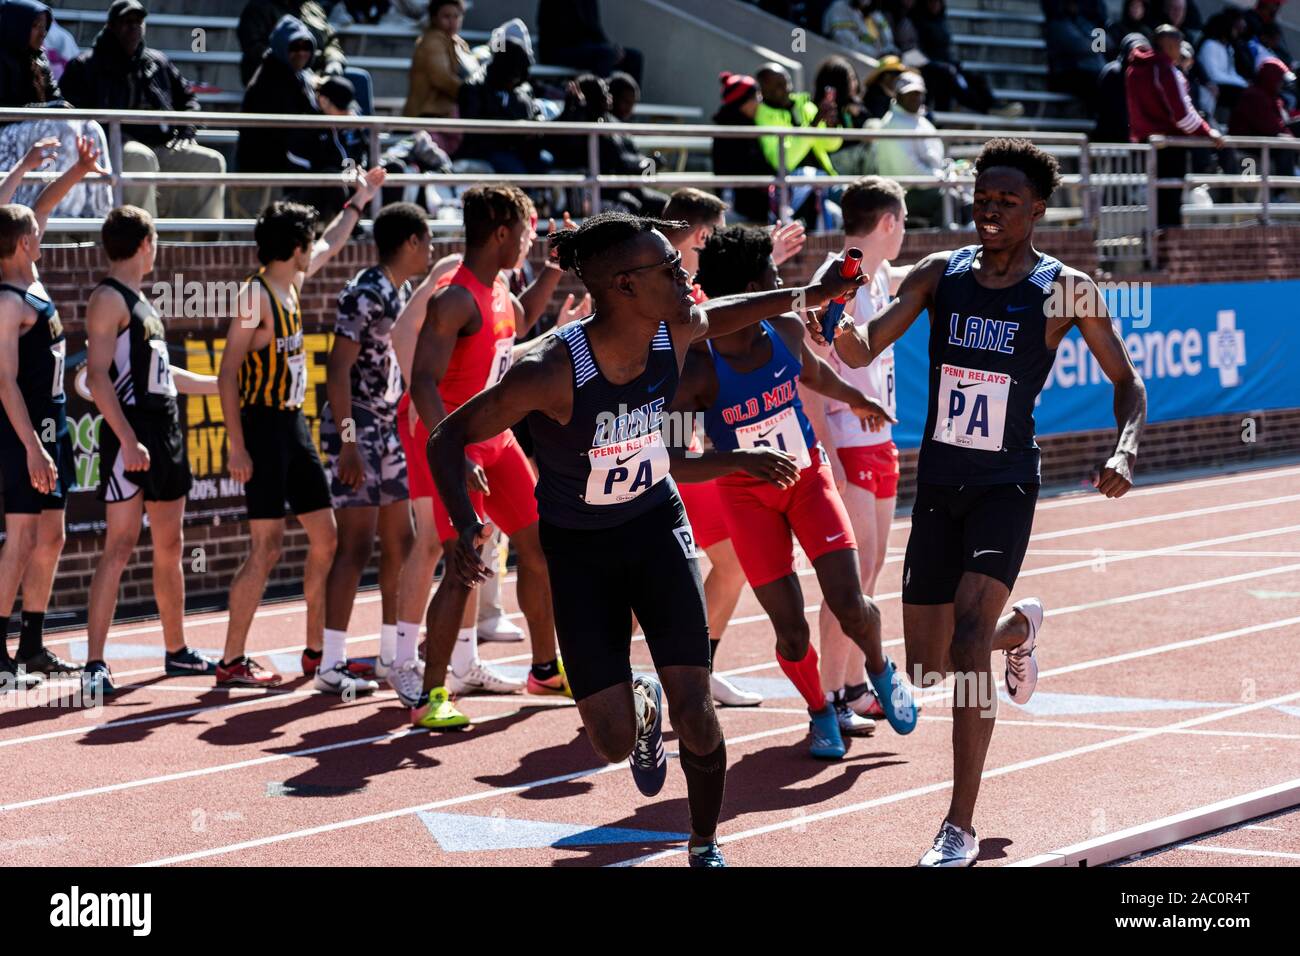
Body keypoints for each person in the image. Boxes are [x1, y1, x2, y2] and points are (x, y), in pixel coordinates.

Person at [426, 210, 864, 866]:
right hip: (580, 552)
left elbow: (736, 308)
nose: (684, 275)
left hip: (656, 529)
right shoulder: (546, 369)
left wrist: (809, 295)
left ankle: (704, 842)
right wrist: (466, 524)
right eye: (668, 268)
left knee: (694, 703)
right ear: (624, 286)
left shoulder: (677, 330)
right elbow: (446, 435)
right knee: (608, 740)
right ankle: (635, 698)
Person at [815, 137, 1147, 866]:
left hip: (1005, 485)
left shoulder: (1066, 289)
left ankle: (958, 825)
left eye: (1006, 201)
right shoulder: (941, 273)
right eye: (982, 197)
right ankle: (1017, 634)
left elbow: (1127, 381)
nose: (989, 210)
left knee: (965, 642)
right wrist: (835, 327)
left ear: (1038, 209)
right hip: (938, 486)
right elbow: (865, 347)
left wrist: (1123, 446)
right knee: (934, 669)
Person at [670, 223, 915, 759]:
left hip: (808, 480)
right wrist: (742, 460)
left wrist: (858, 399)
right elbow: (670, 459)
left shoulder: (782, 326)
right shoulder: (695, 368)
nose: (783, 284)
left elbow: (815, 375)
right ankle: (819, 712)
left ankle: (879, 668)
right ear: (751, 288)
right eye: (773, 276)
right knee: (790, 630)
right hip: (747, 496)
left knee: (850, 602)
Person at [214, 165, 387, 692]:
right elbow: (226, 375)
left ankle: (316, 653)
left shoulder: (291, 282)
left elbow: (333, 240)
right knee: (266, 547)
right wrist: (237, 446)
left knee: (325, 538)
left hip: (295, 427)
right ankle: (232, 659)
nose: (315, 248)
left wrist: (360, 199)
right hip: (263, 428)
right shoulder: (255, 297)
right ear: (294, 247)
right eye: (307, 243)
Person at [405, 184, 570, 724]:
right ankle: (433, 695)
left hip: (498, 444)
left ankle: (544, 668)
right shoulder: (453, 296)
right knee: (465, 564)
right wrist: (452, 448)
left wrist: (551, 268)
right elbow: (423, 382)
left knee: (539, 547)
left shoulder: (496, 286)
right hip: (460, 445)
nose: (527, 241)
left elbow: (519, 323)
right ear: (501, 233)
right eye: (525, 232)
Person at [81, 205, 220, 696]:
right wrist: (126, 439)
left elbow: (165, 378)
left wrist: (219, 385)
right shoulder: (108, 298)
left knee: (171, 546)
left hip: (164, 433)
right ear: (145, 244)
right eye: (155, 240)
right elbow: (97, 377)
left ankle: (177, 650)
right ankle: (95, 661)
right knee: (118, 548)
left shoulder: (143, 302)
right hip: (131, 435)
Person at [0, 136, 107, 687]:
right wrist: (33, 446)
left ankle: (33, 645)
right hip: (24, 428)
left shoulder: (30, 274)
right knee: (19, 536)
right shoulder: (7, 299)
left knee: (53, 536)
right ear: (21, 242)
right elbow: (3, 383)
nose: (44, 230)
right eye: (34, 231)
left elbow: (34, 210)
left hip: (53, 418)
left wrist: (78, 170)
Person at [804, 177, 909, 729]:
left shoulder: (884, 274)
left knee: (871, 572)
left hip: (880, 440)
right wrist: (830, 456)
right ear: (887, 222)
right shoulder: (833, 282)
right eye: (905, 220)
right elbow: (809, 376)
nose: (906, 231)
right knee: (850, 577)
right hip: (847, 442)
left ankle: (850, 682)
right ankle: (828, 697)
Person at [318, 202, 430, 705]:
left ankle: (389, 654)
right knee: (355, 545)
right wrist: (345, 440)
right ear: (409, 243)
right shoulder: (364, 294)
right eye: (426, 242)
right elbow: (336, 369)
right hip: (357, 425)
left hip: (387, 426)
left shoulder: (401, 292)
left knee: (400, 542)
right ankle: (330, 663)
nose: (430, 252)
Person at [658, 187, 759, 708]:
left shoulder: (689, 286)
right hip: (659, 445)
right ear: (701, 234)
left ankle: (700, 669)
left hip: (686, 443)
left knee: (729, 561)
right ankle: (611, 670)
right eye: (716, 234)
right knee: (661, 573)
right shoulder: (663, 285)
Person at [60, 1, 226, 225]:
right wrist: (110, 135)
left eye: (138, 22)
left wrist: (187, 128)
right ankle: (147, 239)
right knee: (141, 158)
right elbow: (72, 117)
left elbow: (188, 98)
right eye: (126, 22)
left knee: (211, 162)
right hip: (114, 146)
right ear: (111, 26)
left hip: (162, 144)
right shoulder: (85, 66)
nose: (134, 28)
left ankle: (202, 245)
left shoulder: (158, 62)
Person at [236, 17, 350, 219]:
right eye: (294, 47)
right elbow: (291, 130)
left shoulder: (300, 75)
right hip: (269, 172)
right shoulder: (269, 80)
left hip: (293, 165)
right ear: (281, 47)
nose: (302, 53)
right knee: (331, 177)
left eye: (306, 46)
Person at [1127, 24, 1223, 227]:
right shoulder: (1163, 69)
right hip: (1170, 146)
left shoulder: (1135, 69)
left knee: (1157, 200)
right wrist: (1209, 132)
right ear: (1169, 45)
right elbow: (1182, 115)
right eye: (1178, 45)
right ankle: (1167, 248)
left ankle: (1155, 245)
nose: (1180, 50)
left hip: (1147, 143)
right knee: (1170, 204)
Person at [755, 63, 842, 227]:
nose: (786, 89)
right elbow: (784, 161)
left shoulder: (805, 105)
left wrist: (831, 124)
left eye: (787, 82)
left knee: (859, 199)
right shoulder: (763, 116)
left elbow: (832, 145)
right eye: (778, 86)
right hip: (793, 188)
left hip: (827, 178)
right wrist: (814, 124)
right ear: (763, 91)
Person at [456, 37, 548, 175]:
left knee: (545, 161)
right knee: (517, 171)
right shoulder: (474, 87)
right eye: (515, 74)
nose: (517, 79)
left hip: (518, 148)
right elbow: (474, 133)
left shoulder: (522, 87)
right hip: (488, 150)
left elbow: (533, 114)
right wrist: (514, 130)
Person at [872, 72, 953, 225]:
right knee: (949, 199)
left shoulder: (920, 121)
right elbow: (909, 171)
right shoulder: (892, 124)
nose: (915, 98)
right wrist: (940, 178)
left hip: (927, 186)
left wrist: (946, 174)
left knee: (962, 195)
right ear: (899, 96)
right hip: (902, 194)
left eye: (918, 93)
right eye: (910, 93)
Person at [403, 0, 477, 155]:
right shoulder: (432, 41)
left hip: (448, 118)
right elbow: (442, 79)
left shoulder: (458, 42)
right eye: (446, 16)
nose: (452, 21)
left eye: (456, 16)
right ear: (434, 18)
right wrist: (473, 94)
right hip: (428, 118)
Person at [710, 72, 770, 224]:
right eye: (756, 97)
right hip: (737, 207)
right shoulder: (730, 131)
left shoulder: (746, 125)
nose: (759, 102)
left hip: (749, 203)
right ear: (742, 102)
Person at [537, 0, 644, 85]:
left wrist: (613, 49)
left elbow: (595, 29)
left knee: (634, 57)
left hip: (585, 48)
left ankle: (625, 107)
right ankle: (598, 104)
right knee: (605, 55)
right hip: (558, 49)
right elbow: (560, 32)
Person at [1045, 0, 1107, 113]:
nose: (1075, 6)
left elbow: (1105, 43)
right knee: (1095, 83)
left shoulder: (1083, 21)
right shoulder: (1057, 24)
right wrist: (1095, 44)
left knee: (1109, 79)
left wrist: (1095, 44)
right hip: (1065, 73)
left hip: (1088, 71)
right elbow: (1079, 46)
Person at [1095, 33, 1151, 143]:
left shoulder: (1149, 74)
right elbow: (1112, 112)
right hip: (1112, 140)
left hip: (1137, 141)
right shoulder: (1114, 73)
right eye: (1136, 51)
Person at [1198, 8, 1252, 115]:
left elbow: (1231, 72)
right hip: (1214, 85)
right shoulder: (1210, 45)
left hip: (1226, 83)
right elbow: (1214, 75)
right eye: (1233, 29)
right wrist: (1242, 84)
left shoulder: (1228, 48)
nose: (1235, 32)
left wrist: (1244, 83)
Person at [823, 0, 898, 59]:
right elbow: (847, 43)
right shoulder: (839, 9)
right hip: (851, 62)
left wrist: (892, 53)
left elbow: (889, 42)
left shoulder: (876, 15)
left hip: (876, 67)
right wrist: (878, 54)